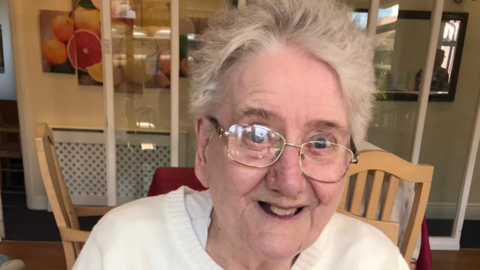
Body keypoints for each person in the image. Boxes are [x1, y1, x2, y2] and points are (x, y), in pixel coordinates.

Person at [73, 0, 409, 269]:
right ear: (205, 147)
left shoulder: (374, 260)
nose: (289, 182)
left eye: (321, 142)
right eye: (257, 135)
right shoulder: (124, 250)